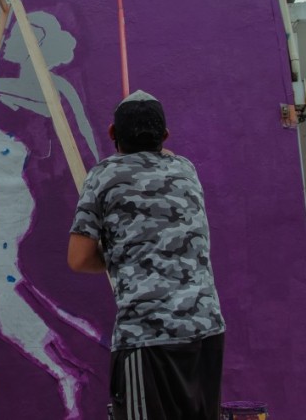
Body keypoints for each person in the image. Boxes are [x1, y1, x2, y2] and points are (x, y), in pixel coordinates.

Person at [67, 90, 226, 420]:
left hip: (148, 333)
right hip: (206, 328)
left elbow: (78, 258)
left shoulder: (103, 175)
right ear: (165, 136)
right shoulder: (186, 169)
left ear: (112, 133)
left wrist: (119, 255)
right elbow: (162, 154)